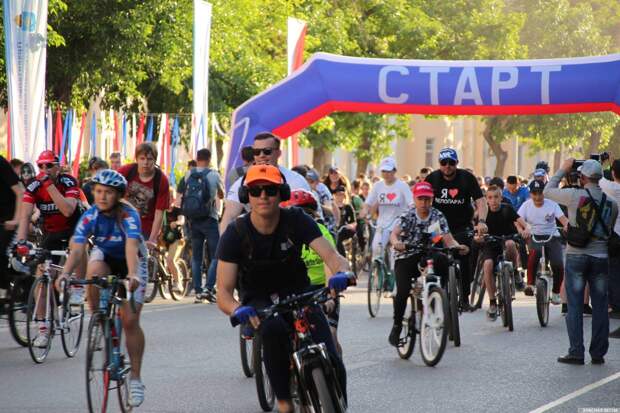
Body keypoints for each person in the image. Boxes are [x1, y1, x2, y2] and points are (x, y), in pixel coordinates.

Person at [216, 165, 352, 413]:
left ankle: (338, 403)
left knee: (332, 355)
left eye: (270, 190)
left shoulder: (297, 220)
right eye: (256, 191)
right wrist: (237, 309)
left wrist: (341, 273)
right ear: (246, 196)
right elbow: (223, 293)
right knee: (272, 330)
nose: (263, 196)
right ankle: (284, 403)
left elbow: (333, 257)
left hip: (300, 293)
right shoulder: (235, 234)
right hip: (259, 302)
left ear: (282, 193)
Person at [58, 169, 147, 407]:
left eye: (108, 192)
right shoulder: (90, 216)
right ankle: (99, 318)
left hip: (131, 260)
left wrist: (132, 275)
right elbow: (77, 249)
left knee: (130, 320)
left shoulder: (128, 214)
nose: (102, 196)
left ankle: (136, 379)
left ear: (118, 195)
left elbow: (131, 247)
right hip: (106, 255)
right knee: (94, 272)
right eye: (98, 191)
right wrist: (65, 273)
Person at [544, 159, 618, 365]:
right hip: (601, 257)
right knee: (600, 306)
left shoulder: (574, 196)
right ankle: (598, 353)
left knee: (575, 305)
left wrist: (563, 169)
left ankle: (576, 352)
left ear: (583, 177)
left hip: (576, 255)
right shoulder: (612, 204)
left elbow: (547, 191)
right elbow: (608, 230)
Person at [389, 181, 469, 345]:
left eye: (427, 199)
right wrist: (397, 243)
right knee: (403, 291)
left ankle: (439, 295)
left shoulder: (437, 216)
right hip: (407, 255)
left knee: (445, 260)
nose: (424, 203)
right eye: (421, 199)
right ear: (415, 199)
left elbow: (447, 239)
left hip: (429, 254)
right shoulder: (408, 216)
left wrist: (457, 246)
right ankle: (397, 326)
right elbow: (394, 234)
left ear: (432, 199)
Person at [15, 150, 82, 345]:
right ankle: (43, 328)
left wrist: (49, 185)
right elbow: (25, 216)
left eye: (49, 165)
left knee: (78, 246)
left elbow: (67, 210)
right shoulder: (34, 185)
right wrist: (21, 242)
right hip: (51, 234)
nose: (44, 169)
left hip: (73, 229)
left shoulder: (68, 182)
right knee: (41, 278)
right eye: (41, 166)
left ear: (58, 167)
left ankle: (77, 287)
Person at [280, 189, 342, 353]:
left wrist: (330, 294)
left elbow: (329, 263)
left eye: (307, 213)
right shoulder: (281, 234)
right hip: (295, 290)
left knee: (331, 335)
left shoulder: (321, 232)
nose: (301, 219)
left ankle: (336, 364)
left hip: (321, 288)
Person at [425, 148, 488, 310]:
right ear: (439, 164)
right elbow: (421, 201)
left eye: (451, 162)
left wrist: (481, 221)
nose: (447, 166)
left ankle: (465, 298)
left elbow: (481, 202)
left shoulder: (467, 178)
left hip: (461, 227)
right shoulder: (432, 178)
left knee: (464, 253)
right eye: (443, 163)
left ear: (457, 163)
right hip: (437, 227)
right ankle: (437, 289)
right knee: (433, 253)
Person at [220, 132, 310, 233]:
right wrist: (223, 241)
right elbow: (229, 216)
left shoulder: (296, 181)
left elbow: (308, 218)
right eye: (256, 152)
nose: (261, 155)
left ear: (279, 153)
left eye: (267, 151)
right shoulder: (242, 182)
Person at [474, 185, 528, 321]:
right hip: (490, 244)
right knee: (487, 265)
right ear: (486, 199)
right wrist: (478, 237)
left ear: (501, 198)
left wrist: (527, 229)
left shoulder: (507, 209)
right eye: (490, 197)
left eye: (496, 197)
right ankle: (492, 302)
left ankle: (515, 273)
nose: (493, 200)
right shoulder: (482, 213)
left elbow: (522, 222)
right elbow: (476, 232)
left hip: (507, 239)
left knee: (510, 244)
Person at [178, 148, 223, 303]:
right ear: (209, 159)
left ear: (197, 159)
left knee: (196, 257)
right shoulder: (214, 175)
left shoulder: (188, 174)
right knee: (217, 254)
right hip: (210, 219)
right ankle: (208, 288)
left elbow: (181, 194)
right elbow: (221, 194)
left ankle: (198, 291)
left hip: (193, 220)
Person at [360, 157, 413, 273]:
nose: (386, 174)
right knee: (376, 249)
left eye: (389, 171)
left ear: (395, 171)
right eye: (383, 171)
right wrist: (364, 211)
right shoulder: (378, 186)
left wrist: (409, 217)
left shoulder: (402, 186)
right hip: (382, 224)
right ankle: (377, 275)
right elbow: (368, 202)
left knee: (395, 253)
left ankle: (395, 277)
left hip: (398, 224)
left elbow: (411, 204)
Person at [517, 180, 568, 301]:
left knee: (558, 263)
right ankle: (530, 285)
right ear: (530, 194)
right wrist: (521, 230)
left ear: (544, 193)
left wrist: (567, 225)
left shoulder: (552, 204)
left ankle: (556, 292)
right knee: (533, 256)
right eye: (534, 193)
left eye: (540, 193)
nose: (537, 196)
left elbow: (564, 220)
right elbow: (517, 220)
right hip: (535, 236)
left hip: (552, 236)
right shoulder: (526, 205)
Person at [118, 142, 170, 250]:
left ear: (155, 160)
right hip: (121, 222)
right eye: (142, 158)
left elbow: (159, 213)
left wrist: (152, 239)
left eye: (150, 159)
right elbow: (111, 192)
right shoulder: (126, 171)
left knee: (138, 255)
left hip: (144, 228)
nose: (145, 163)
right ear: (137, 159)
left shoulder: (161, 180)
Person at [599, 157, 620, 323]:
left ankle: (616, 305)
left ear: (613, 173)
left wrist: (601, 162)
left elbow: (597, 176)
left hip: (615, 236)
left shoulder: (611, 188)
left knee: (613, 271)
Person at [0, 155, 24, 294]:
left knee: (0, 252)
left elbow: (20, 193)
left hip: (7, 218)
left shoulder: (1, 164)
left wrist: (16, 220)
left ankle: (3, 290)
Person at [161, 188, 185, 292]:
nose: (170, 200)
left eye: (172, 197)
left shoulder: (177, 210)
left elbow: (182, 220)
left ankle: (178, 283)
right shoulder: (161, 211)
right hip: (163, 238)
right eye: (168, 197)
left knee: (170, 260)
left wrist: (177, 223)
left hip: (176, 239)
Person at [333, 185, 357, 256]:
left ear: (344, 196)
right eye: (337, 194)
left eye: (341, 194)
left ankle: (342, 258)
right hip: (334, 228)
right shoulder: (332, 206)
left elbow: (354, 222)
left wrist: (349, 226)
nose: (339, 196)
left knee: (338, 237)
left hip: (344, 229)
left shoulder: (348, 207)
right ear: (334, 195)